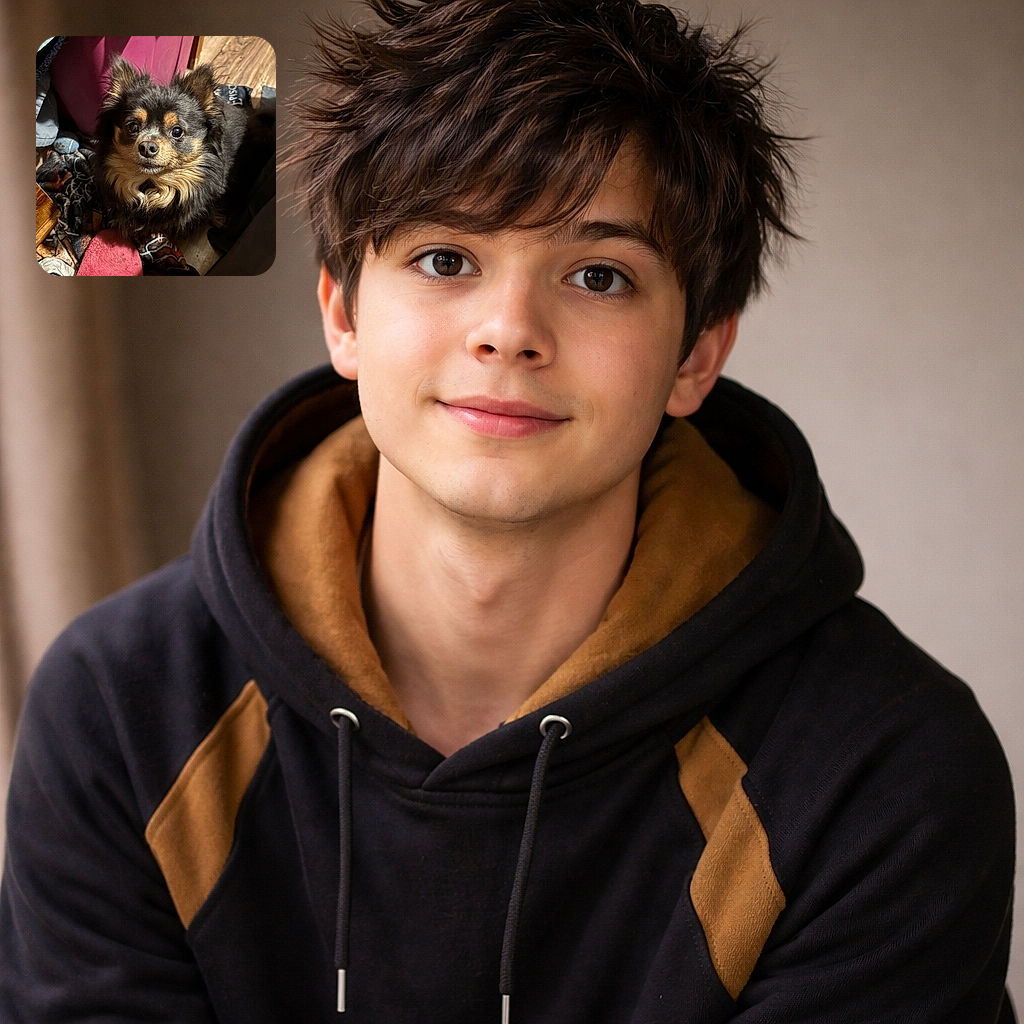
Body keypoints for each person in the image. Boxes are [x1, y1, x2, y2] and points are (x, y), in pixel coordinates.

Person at [1, 0, 1015, 1020]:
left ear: (698, 353)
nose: (509, 330)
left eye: (598, 276)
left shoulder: (884, 766)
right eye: (446, 259)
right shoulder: (123, 707)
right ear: (343, 313)